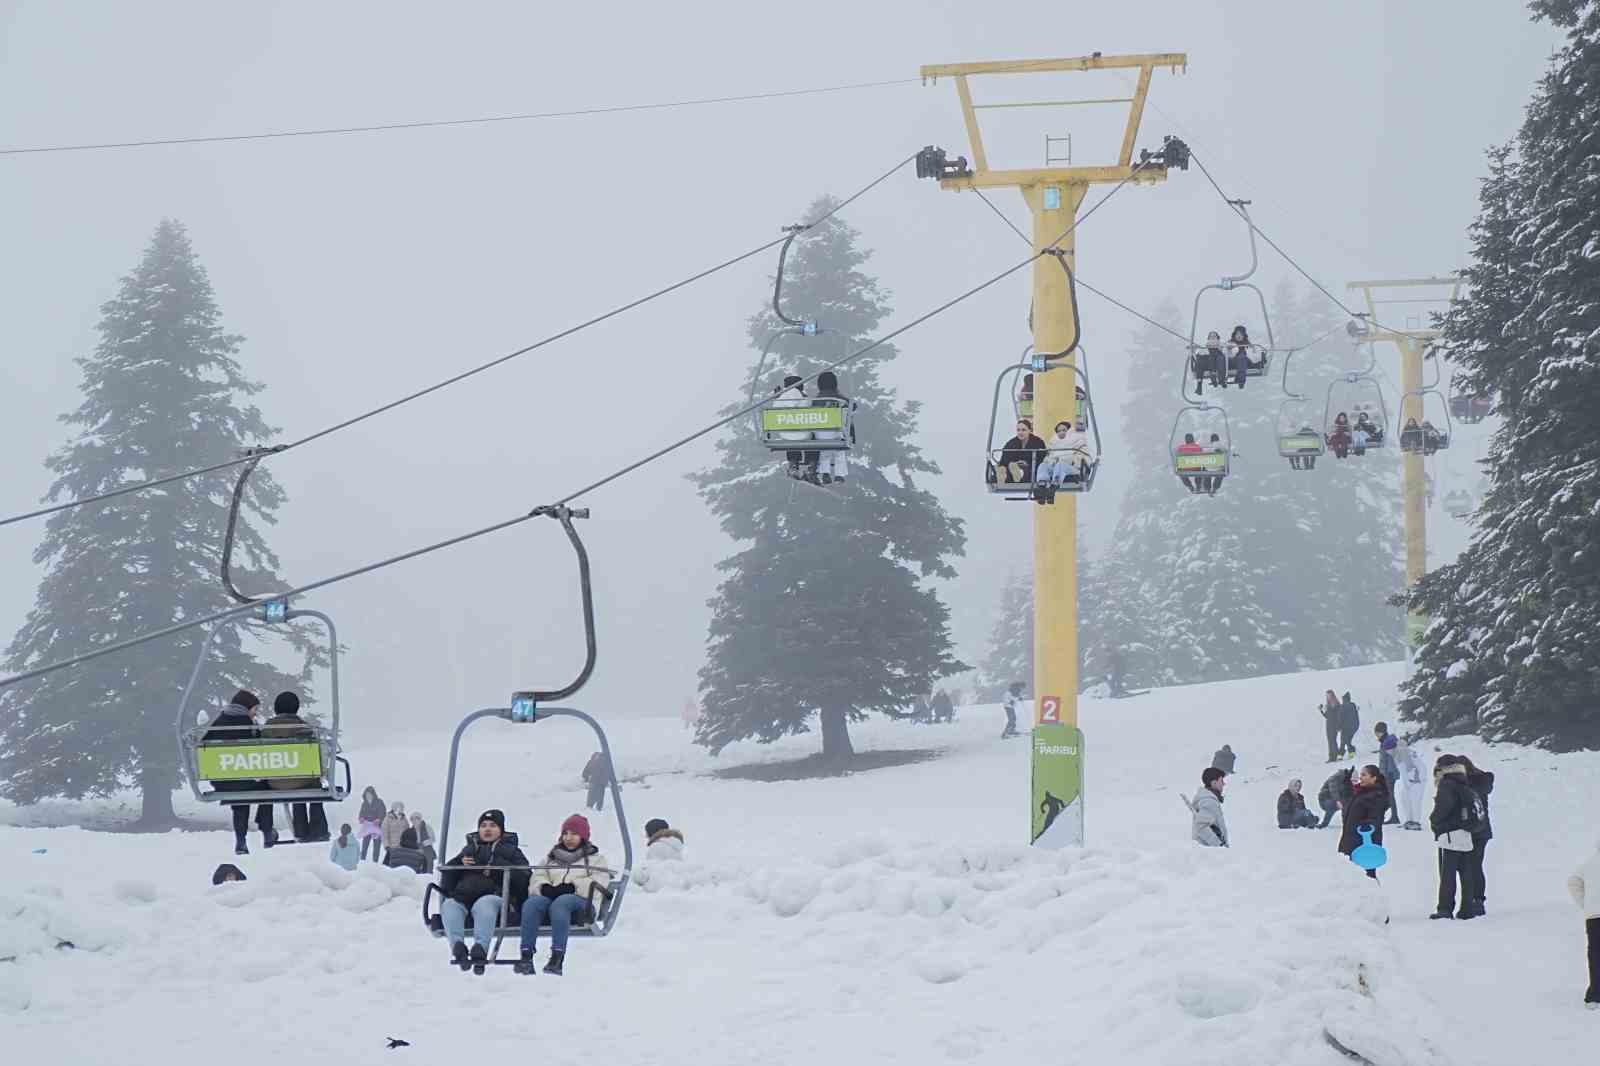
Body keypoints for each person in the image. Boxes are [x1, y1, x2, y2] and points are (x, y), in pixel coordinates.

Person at [516, 814, 612, 976]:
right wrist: (543, 888)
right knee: (532, 904)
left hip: (582, 904)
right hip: (552, 900)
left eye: (574, 834)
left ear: (583, 836)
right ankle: (526, 956)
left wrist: (573, 887)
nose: (569, 838)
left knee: (563, 902)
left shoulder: (596, 859)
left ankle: (557, 957)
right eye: (565, 833)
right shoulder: (551, 858)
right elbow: (538, 876)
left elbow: (600, 881)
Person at [440, 809, 530, 974]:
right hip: (464, 896)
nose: (487, 829)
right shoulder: (468, 850)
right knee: (450, 905)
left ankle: (480, 948)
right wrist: (458, 863)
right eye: (483, 825)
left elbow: (524, 877)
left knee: (484, 905)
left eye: (493, 826)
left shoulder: (511, 852)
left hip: (494, 896)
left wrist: (497, 865)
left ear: (501, 830)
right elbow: (447, 882)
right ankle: (458, 947)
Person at [207, 689, 275, 854]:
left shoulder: (219, 721)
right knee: (266, 788)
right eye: (254, 710)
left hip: (222, 782)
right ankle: (267, 831)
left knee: (239, 799)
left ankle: (240, 841)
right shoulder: (246, 723)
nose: (255, 714)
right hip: (245, 780)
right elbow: (259, 749)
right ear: (247, 707)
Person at [261, 692, 329, 841]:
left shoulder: (266, 729)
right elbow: (317, 757)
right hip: (301, 781)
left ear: (276, 709)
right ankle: (318, 829)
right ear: (296, 708)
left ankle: (301, 830)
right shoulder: (303, 728)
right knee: (308, 780)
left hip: (274, 782)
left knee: (299, 777)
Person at [1430, 755, 1485, 920]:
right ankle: (1467, 908)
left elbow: (1443, 808)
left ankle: (1445, 909)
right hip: (1466, 832)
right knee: (1466, 872)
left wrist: (1434, 821)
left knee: (1447, 874)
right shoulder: (1463, 782)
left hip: (1449, 833)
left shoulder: (1447, 784)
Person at [1339, 765, 1390, 879]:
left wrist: (1365, 827)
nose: (1360, 777)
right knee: (1350, 875)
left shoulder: (1377, 795)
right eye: (1360, 774)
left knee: (1364, 875)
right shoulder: (1362, 792)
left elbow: (1375, 819)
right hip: (1351, 838)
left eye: (1364, 775)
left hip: (1364, 841)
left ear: (1374, 778)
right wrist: (1346, 782)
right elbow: (1347, 799)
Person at [1459, 755, 1495, 915]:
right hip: (1483, 829)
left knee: (1471, 865)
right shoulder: (1482, 782)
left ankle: (1475, 898)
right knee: (1476, 865)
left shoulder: (1466, 785)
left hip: (1472, 830)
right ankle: (1478, 899)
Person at [1566, 837, 1600, 1009]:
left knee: (1595, 955)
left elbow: (1572, 882)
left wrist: (1585, 904)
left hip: (1593, 916)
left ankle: (1595, 994)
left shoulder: (1590, 863)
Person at [811, 371, 854, 485]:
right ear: (835, 383)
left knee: (824, 450)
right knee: (840, 451)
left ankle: (825, 472)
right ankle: (839, 475)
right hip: (837, 433)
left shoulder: (816, 400)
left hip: (820, 434)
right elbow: (853, 406)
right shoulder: (839, 398)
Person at [771, 374, 815, 480]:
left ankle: (793, 464)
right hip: (803, 433)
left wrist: (778, 397)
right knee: (813, 436)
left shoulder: (781, 399)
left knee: (791, 435)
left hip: (786, 434)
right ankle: (811, 466)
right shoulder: (804, 398)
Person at [996, 419, 1047, 485]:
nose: (1020, 433)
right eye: (1018, 430)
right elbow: (1005, 458)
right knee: (1008, 466)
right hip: (1014, 466)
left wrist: (1027, 463)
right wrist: (1015, 463)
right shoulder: (1011, 443)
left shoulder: (1038, 442)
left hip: (1031, 467)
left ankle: (1017, 475)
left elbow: (1041, 458)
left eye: (1023, 430)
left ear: (1030, 430)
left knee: (1026, 470)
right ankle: (1006, 475)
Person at [1393, 739, 1426, 830]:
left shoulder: (1411, 754)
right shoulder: (1399, 756)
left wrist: (1418, 777)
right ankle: (1409, 820)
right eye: (1398, 746)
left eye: (1402, 746)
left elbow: (1421, 767)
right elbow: (1403, 771)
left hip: (1417, 781)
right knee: (1404, 798)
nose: (1400, 748)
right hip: (1408, 781)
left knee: (1415, 801)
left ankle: (1416, 821)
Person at [1191, 768, 1228, 847]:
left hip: (1209, 852)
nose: (1224, 784)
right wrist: (1219, 845)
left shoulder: (1207, 799)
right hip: (1211, 853)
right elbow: (1201, 827)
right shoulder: (1208, 801)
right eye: (1221, 781)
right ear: (1214, 783)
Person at [1375, 723, 1402, 825]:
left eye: (1377, 733)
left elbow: (1390, 759)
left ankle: (1394, 817)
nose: (1376, 735)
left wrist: (1388, 774)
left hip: (1389, 774)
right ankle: (1393, 816)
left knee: (1389, 795)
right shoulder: (1385, 741)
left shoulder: (1388, 742)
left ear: (1381, 732)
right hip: (1386, 773)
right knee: (1388, 795)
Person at [357, 786, 386, 863]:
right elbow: (361, 813)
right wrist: (361, 818)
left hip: (376, 827)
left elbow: (383, 812)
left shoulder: (379, 802)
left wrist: (379, 819)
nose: (368, 796)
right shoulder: (364, 803)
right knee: (364, 844)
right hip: (367, 827)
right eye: (366, 795)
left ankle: (375, 862)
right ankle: (362, 860)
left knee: (376, 846)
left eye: (369, 794)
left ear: (373, 794)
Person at [1319, 689, 1342, 762]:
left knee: (1333, 741)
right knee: (1330, 741)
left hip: (1334, 725)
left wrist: (1339, 726)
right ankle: (1332, 756)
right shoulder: (1328, 705)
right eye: (1327, 695)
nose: (1327, 697)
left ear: (1332, 695)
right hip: (1328, 725)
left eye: (1329, 695)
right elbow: (1327, 716)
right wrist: (1321, 710)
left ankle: (1334, 756)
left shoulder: (1337, 704)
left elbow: (1339, 716)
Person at [1338, 692, 1360, 758]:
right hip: (1353, 726)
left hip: (1346, 727)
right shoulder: (1353, 705)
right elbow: (1356, 716)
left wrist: (1339, 727)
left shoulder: (1342, 707)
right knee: (1346, 740)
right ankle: (1342, 754)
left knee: (1345, 740)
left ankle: (1349, 753)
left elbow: (1340, 718)